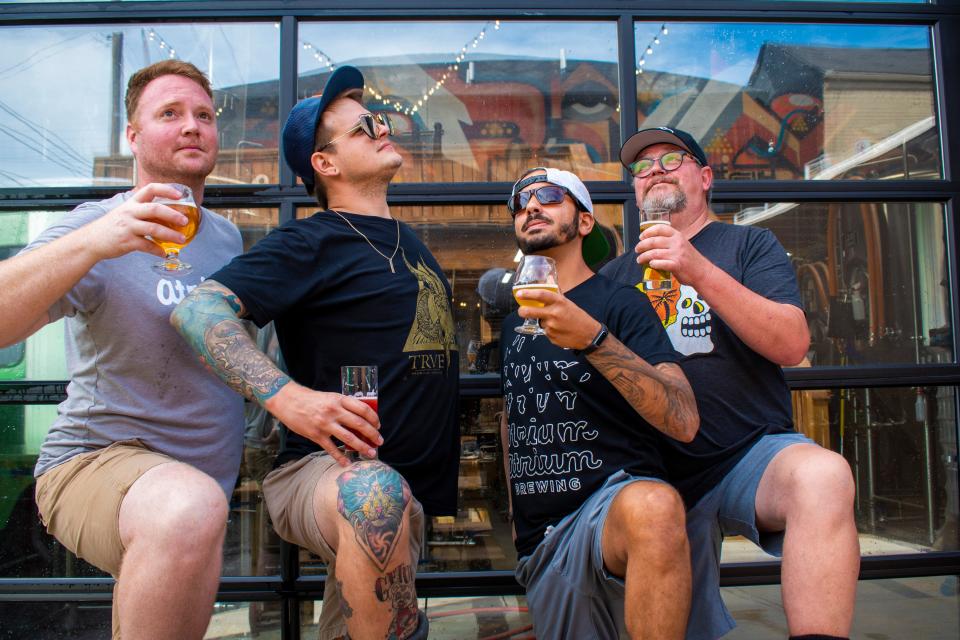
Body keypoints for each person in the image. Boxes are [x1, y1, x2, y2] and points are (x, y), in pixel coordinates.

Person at [172, 65, 459, 640]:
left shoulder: (411, 243)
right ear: (324, 164)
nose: (381, 129)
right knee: (374, 494)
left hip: (401, 498)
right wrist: (288, 398)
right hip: (330, 476)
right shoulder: (311, 239)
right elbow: (197, 310)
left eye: (377, 120)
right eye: (361, 129)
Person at [0, 60, 243, 639]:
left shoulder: (227, 236)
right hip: (94, 460)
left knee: (190, 517)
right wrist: (94, 243)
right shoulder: (97, 224)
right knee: (186, 510)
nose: (192, 126)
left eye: (203, 116)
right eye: (170, 114)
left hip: (202, 487)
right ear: (131, 138)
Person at [600, 126, 859, 640]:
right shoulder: (611, 276)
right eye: (642, 165)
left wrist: (694, 267)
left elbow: (791, 344)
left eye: (671, 158)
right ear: (633, 189)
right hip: (654, 475)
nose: (654, 169)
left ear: (705, 176)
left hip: (749, 453)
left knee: (823, 476)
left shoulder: (750, 244)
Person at [499, 166, 699, 639]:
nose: (531, 205)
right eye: (520, 201)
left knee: (655, 506)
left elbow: (685, 417)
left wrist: (592, 338)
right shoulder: (513, 322)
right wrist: (515, 522)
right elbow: (515, 420)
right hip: (543, 543)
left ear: (585, 222)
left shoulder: (621, 303)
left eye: (548, 196)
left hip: (613, 508)